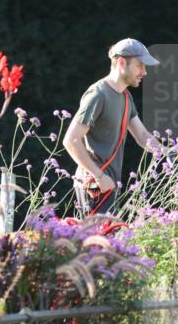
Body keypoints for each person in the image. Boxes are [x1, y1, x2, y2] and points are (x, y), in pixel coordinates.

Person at [64, 38, 162, 217]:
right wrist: (99, 176)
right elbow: (71, 140)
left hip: (109, 184)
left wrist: (170, 154)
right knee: (95, 243)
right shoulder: (98, 94)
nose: (145, 72)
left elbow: (141, 135)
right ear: (122, 62)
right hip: (94, 185)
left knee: (109, 242)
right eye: (140, 66)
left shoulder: (125, 97)